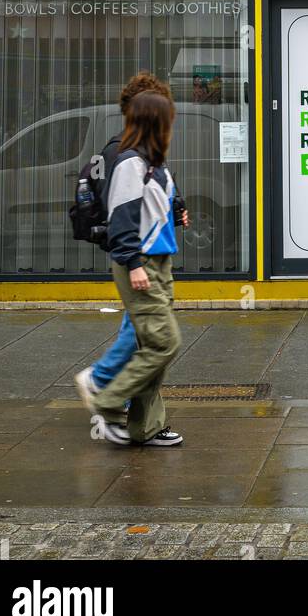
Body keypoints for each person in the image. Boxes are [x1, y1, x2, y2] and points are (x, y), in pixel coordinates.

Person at [74, 73, 184, 411]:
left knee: (145, 337)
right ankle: (105, 391)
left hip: (155, 256)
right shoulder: (128, 159)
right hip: (141, 258)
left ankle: (141, 421)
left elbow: (159, 196)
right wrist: (134, 262)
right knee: (158, 341)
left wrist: (176, 209)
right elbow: (122, 213)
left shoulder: (150, 158)